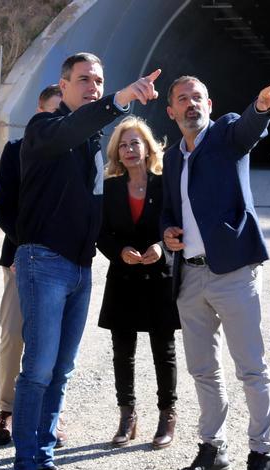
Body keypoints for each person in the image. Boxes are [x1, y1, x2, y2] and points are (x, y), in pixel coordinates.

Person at [9, 52, 161, 470]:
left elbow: (99, 206)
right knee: (37, 369)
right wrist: (119, 99)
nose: (92, 86)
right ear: (64, 85)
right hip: (45, 263)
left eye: (99, 80)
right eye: (84, 80)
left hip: (79, 269)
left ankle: (44, 461)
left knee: (61, 369)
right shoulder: (44, 128)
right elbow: (69, 129)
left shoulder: (91, 142)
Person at [160, 76, 270, 470]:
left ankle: (263, 455)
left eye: (197, 98)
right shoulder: (173, 158)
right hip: (190, 276)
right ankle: (213, 449)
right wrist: (167, 232)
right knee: (202, 369)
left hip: (233, 272)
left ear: (209, 103)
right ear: (171, 111)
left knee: (251, 367)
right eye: (183, 100)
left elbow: (249, 127)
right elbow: (167, 209)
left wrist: (262, 106)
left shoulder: (227, 134)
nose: (191, 104)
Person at [97, 116, 180, 449]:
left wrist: (162, 246)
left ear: (148, 148)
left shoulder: (165, 184)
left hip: (159, 278)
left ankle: (167, 415)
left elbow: (176, 223)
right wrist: (120, 251)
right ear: (117, 151)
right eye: (124, 144)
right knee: (123, 353)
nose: (130, 149)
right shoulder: (110, 187)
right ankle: (127, 417)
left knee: (165, 351)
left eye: (136, 143)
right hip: (123, 278)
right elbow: (101, 233)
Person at [0, 84, 63, 447]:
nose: (58, 121)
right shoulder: (16, 151)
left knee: (53, 343)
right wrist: (27, 251)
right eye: (53, 112)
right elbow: (3, 208)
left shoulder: (76, 151)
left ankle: (50, 414)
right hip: (20, 259)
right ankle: (7, 411)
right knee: (13, 335)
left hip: (63, 265)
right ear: (38, 109)